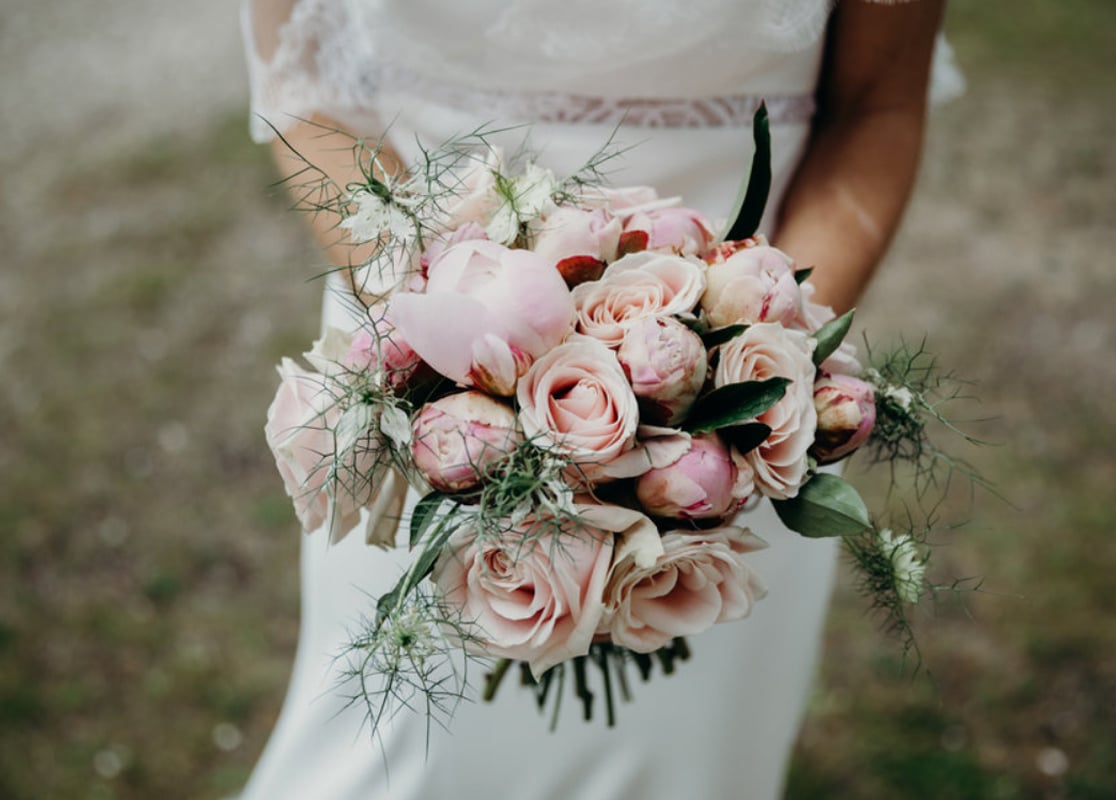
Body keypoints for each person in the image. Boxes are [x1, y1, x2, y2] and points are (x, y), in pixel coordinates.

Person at [239, 1, 957, 797]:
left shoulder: (743, 411)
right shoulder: (429, 382)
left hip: (733, 434)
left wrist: (760, 364)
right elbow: (305, 88)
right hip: (419, 382)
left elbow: (877, 107)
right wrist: (439, 346)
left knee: (692, 761)